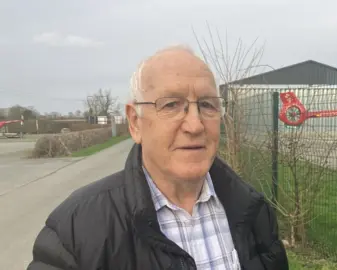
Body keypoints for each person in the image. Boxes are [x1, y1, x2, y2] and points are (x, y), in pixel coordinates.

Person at [27, 45, 288, 270]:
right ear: (135, 123)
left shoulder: (253, 211)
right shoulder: (76, 230)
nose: (195, 125)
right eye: (171, 105)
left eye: (208, 104)